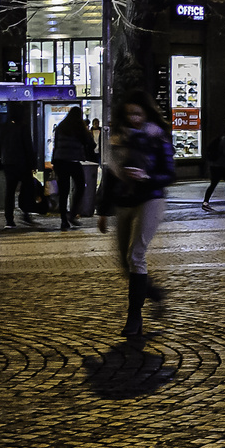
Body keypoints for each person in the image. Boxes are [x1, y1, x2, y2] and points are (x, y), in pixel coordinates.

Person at [97, 93, 178, 338]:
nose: (134, 118)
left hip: (151, 198)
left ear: (146, 114)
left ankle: (134, 317)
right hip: (125, 201)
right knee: (125, 262)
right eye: (130, 113)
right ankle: (154, 294)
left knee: (136, 254)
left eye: (138, 113)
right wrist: (102, 211)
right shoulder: (117, 139)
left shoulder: (157, 137)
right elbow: (109, 177)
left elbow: (170, 174)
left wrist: (147, 178)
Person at [50, 106, 96, 231]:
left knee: (63, 192)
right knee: (80, 186)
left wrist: (53, 161)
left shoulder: (61, 126)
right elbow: (91, 143)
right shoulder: (79, 127)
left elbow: (56, 145)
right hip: (73, 161)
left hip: (60, 162)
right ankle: (73, 213)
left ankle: (64, 220)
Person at [0, 107, 38, 229]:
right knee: (26, 188)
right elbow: (28, 147)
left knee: (9, 191)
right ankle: (25, 212)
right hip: (22, 164)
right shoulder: (23, 127)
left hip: (8, 163)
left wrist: (2, 158)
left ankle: (9, 219)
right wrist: (33, 164)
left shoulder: (3, 128)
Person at [200, 124, 225, 208]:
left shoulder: (220, 139)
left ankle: (205, 201)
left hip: (214, 166)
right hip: (223, 166)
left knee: (213, 184)